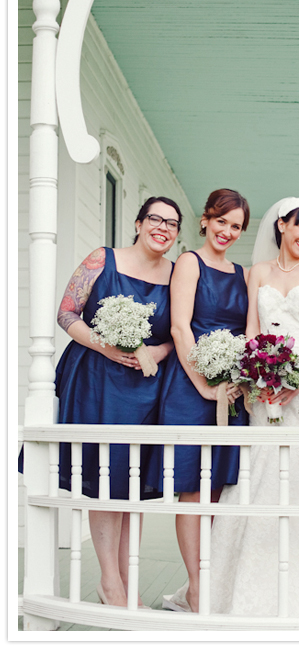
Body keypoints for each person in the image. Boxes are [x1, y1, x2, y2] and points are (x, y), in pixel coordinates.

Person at [208, 197, 299, 617]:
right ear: (282, 225)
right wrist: (254, 376)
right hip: (262, 390)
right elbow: (252, 328)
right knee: (259, 475)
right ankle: (238, 587)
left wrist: (296, 380)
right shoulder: (259, 273)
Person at [55, 196, 182, 608]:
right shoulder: (102, 259)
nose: (163, 227)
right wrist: (104, 346)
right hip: (96, 380)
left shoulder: (178, 274)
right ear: (139, 222)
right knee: (105, 481)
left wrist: (156, 353)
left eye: (172, 224)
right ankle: (110, 582)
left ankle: (129, 582)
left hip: (146, 387)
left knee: (134, 487)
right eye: (156, 219)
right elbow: (67, 312)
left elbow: (178, 332)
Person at [158, 189, 250, 614]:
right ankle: (196, 588)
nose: (226, 232)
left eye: (235, 226)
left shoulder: (242, 273)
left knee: (218, 492)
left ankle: (208, 580)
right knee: (193, 492)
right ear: (205, 220)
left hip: (231, 393)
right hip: (192, 387)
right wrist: (203, 386)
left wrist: (235, 382)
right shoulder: (189, 264)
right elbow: (180, 328)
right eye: (221, 222)